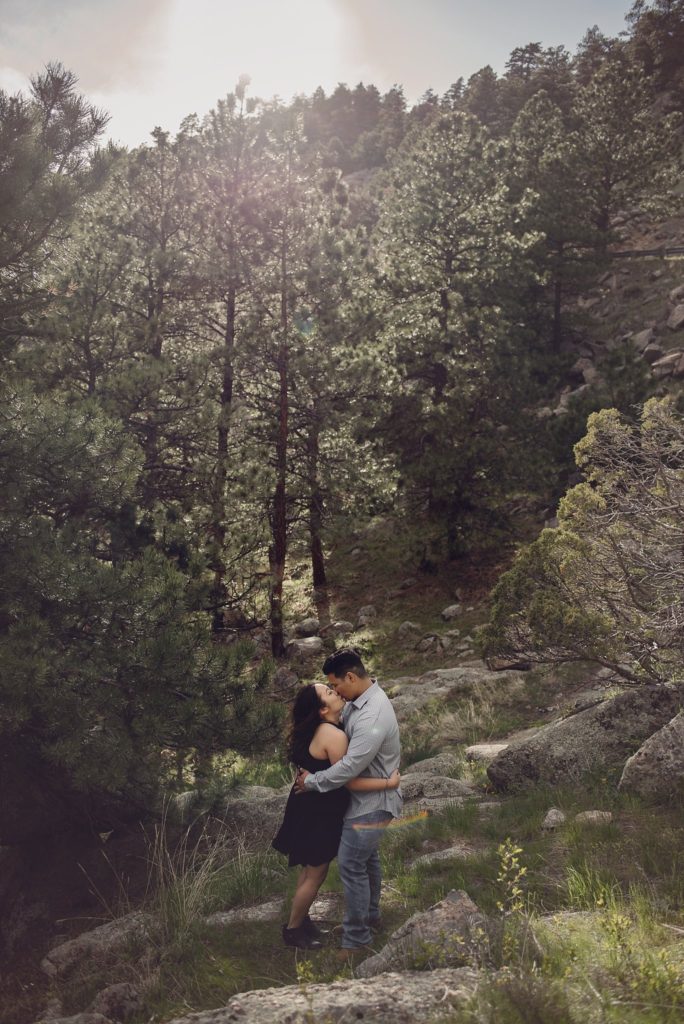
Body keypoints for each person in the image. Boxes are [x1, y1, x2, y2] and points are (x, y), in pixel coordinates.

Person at [272, 680, 400, 949]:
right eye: (329, 693)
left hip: (307, 807)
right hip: (320, 812)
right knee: (316, 873)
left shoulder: (320, 731)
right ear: (322, 709)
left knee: (309, 871)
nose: (336, 692)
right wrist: (389, 784)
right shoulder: (334, 735)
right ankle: (293, 930)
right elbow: (350, 782)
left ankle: (301, 920)